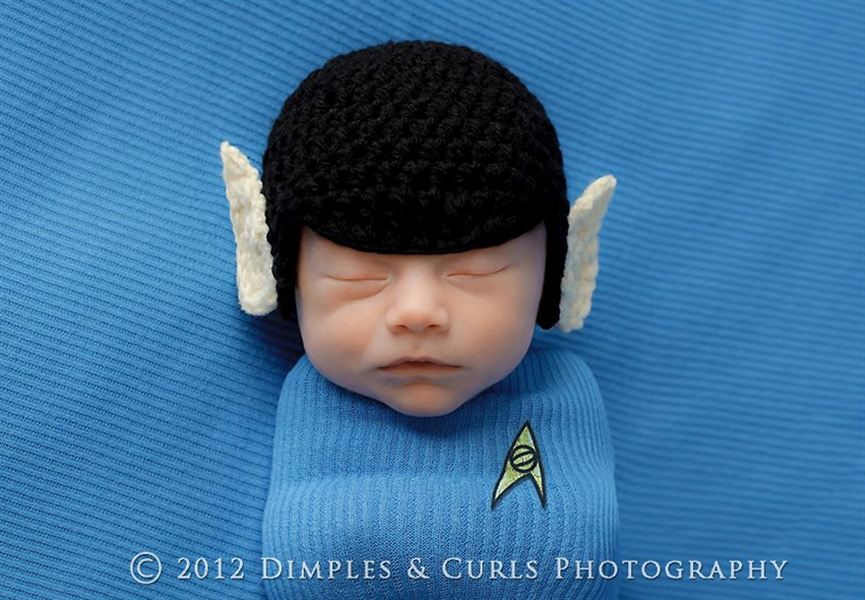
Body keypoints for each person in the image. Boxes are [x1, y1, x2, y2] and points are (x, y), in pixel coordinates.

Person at [221, 40, 620, 599]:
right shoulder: (314, 409)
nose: (417, 313)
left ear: (559, 272)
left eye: (477, 273)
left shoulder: (559, 399)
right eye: (359, 277)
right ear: (274, 272)